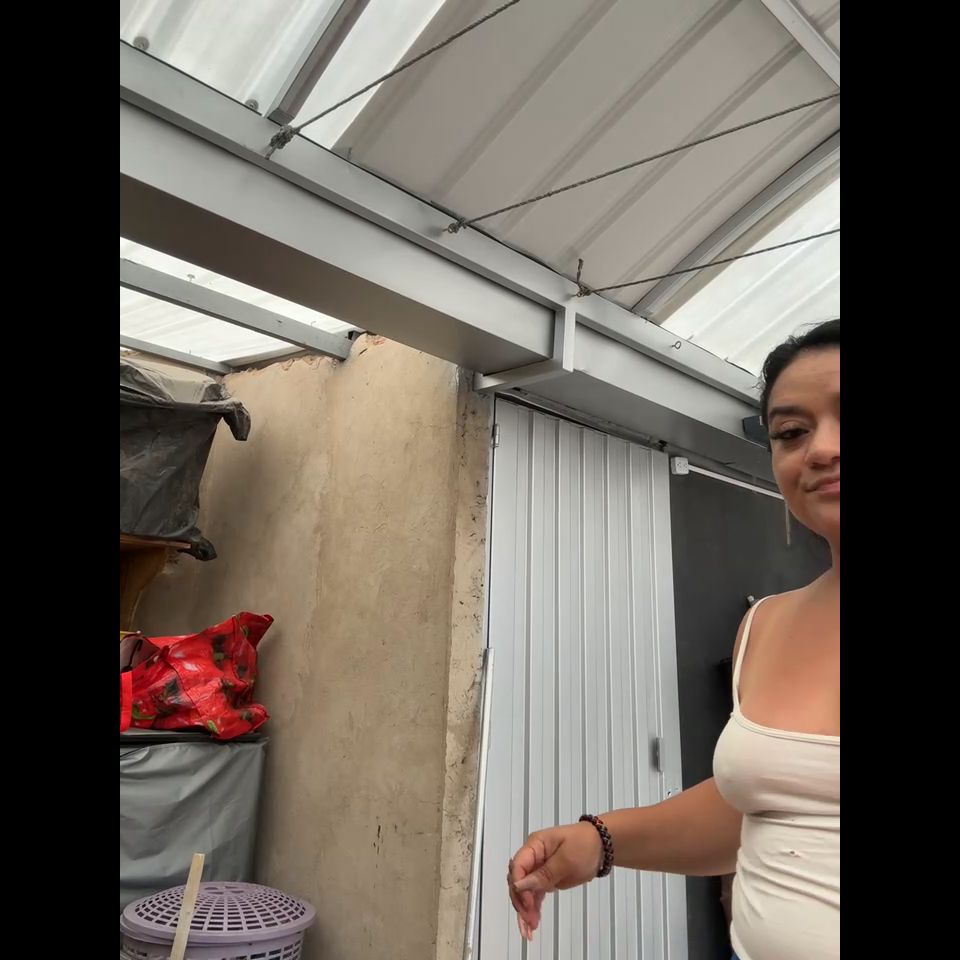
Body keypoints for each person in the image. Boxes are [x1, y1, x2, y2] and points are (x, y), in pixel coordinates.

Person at [507, 320, 840, 960]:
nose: (821, 449)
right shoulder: (766, 625)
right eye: (792, 432)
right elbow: (765, 804)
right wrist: (597, 841)